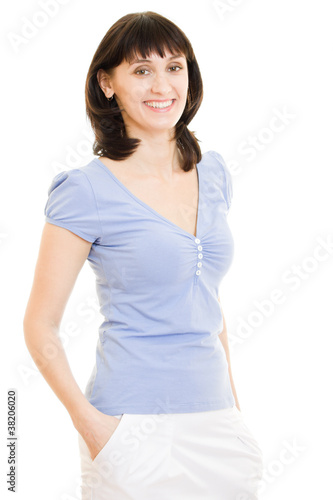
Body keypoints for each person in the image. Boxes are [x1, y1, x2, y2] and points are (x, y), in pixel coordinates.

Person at [23, 10, 264, 500]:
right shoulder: (84, 190)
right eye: (141, 70)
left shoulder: (214, 174)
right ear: (107, 84)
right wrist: (95, 430)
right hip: (128, 429)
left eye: (174, 67)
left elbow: (208, 302)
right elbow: (39, 325)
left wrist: (235, 412)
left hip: (218, 426)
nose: (162, 85)